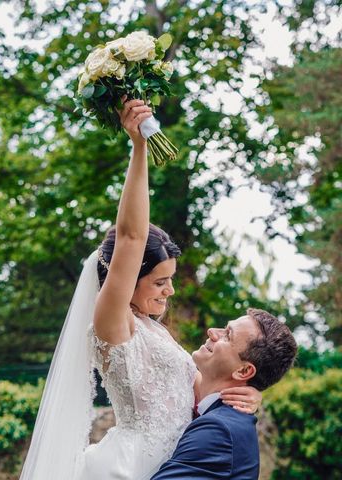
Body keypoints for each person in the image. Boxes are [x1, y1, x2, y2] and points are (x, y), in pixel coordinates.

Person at [20, 99, 262, 480]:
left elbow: (197, 396)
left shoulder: (155, 331)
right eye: (160, 281)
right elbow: (132, 236)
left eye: (171, 280)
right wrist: (139, 146)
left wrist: (245, 395)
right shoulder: (114, 325)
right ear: (126, 278)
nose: (170, 292)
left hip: (168, 464)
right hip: (127, 468)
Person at [151, 308, 297, 479]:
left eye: (228, 335)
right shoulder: (219, 416)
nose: (211, 331)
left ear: (243, 372)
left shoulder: (219, 430)